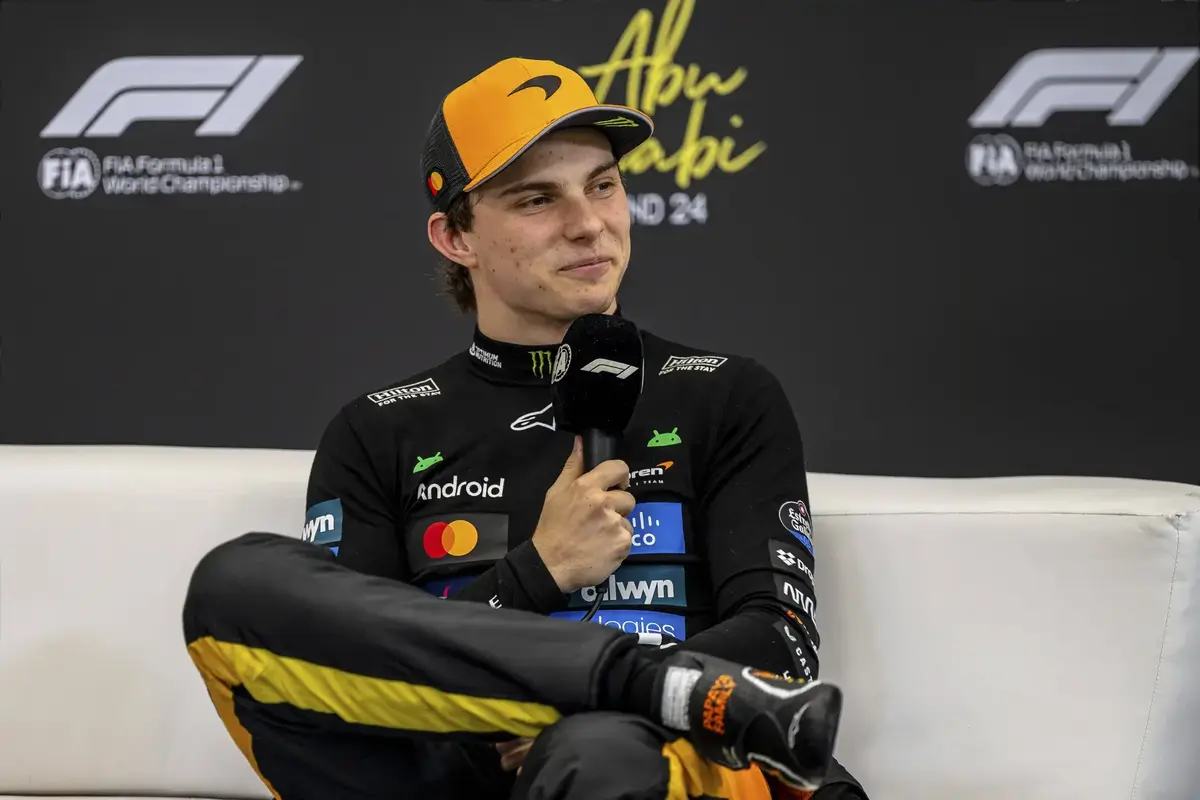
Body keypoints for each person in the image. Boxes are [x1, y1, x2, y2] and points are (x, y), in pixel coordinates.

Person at [182, 56, 869, 800]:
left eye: (602, 185)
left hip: (662, 762)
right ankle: (641, 686)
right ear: (456, 238)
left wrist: (585, 709)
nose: (589, 224)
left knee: (597, 750)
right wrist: (538, 572)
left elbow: (781, 640)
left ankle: (632, 700)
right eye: (538, 199)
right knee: (232, 584)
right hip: (456, 773)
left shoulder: (724, 394)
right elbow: (346, 673)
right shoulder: (377, 430)